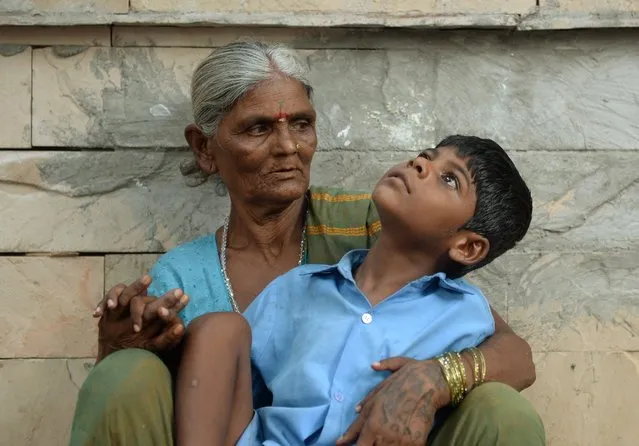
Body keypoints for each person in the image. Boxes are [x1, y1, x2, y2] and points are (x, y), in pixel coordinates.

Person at [69, 42, 544, 446]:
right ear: (205, 149)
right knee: (165, 353)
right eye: (259, 128)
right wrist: (119, 347)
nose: (288, 147)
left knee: (502, 409)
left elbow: (503, 346)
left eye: (301, 124)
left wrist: (436, 377)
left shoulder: (369, 223)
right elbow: (160, 398)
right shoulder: (185, 279)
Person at [175, 135, 533, 446]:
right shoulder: (298, 289)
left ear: (467, 248)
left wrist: (439, 378)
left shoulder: (463, 315)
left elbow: (519, 361)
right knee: (219, 328)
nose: (420, 164)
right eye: (426, 155)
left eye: (450, 180)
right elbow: (233, 387)